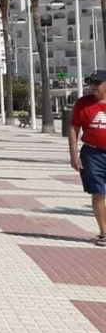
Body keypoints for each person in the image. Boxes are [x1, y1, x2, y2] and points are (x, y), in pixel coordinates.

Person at [68, 72, 106, 247]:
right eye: (91, 83)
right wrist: (73, 155)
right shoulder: (83, 104)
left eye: (98, 83)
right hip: (92, 154)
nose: (93, 87)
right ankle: (104, 232)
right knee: (98, 192)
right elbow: (74, 129)